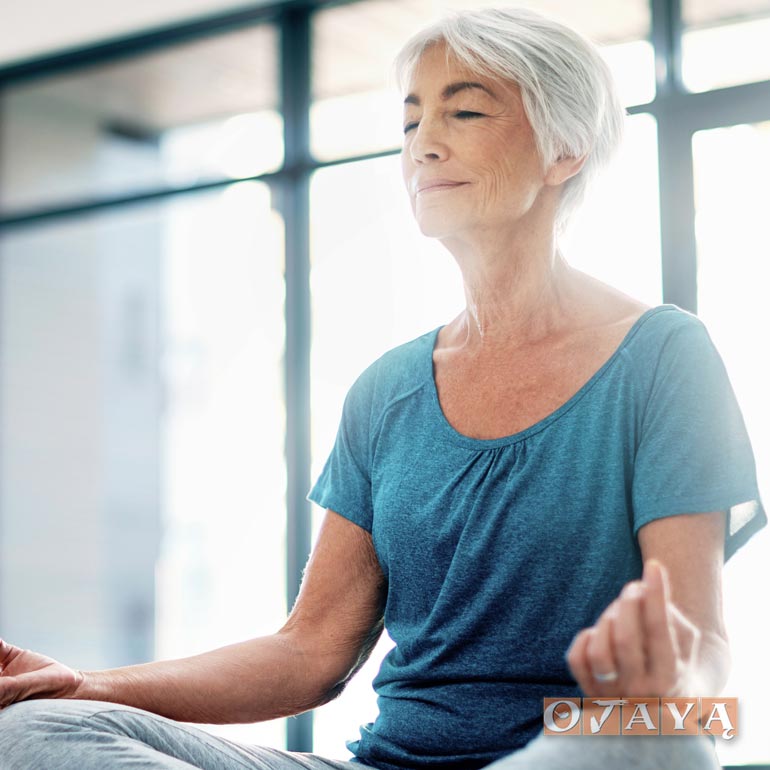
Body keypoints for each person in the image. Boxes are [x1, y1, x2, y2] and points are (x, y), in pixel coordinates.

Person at [0, 6, 766, 770]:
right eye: (410, 122)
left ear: (565, 151)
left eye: (464, 111)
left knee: (661, 741)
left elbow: (699, 647)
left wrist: (656, 689)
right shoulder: (387, 391)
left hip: (566, 753)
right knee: (33, 732)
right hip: (387, 765)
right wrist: (83, 685)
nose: (424, 145)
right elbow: (310, 652)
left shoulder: (664, 356)